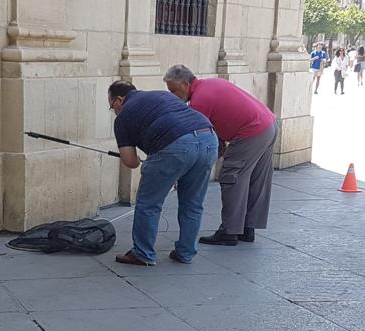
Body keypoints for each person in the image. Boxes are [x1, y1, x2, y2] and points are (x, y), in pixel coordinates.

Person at [164, 65, 277, 246]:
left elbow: (198, 141)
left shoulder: (199, 102)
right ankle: (248, 227)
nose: (173, 96)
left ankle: (230, 231)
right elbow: (216, 132)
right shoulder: (212, 83)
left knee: (232, 177)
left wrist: (184, 171)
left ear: (185, 84)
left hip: (251, 131)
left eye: (173, 90)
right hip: (268, 124)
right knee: (256, 179)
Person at [108, 80, 218, 265]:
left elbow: (130, 162)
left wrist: (150, 162)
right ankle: (186, 252)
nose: (114, 110)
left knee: (148, 203)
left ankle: (143, 254)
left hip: (174, 145)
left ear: (119, 100)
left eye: (111, 106)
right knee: (193, 203)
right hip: (208, 138)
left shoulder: (123, 117)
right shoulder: (161, 95)